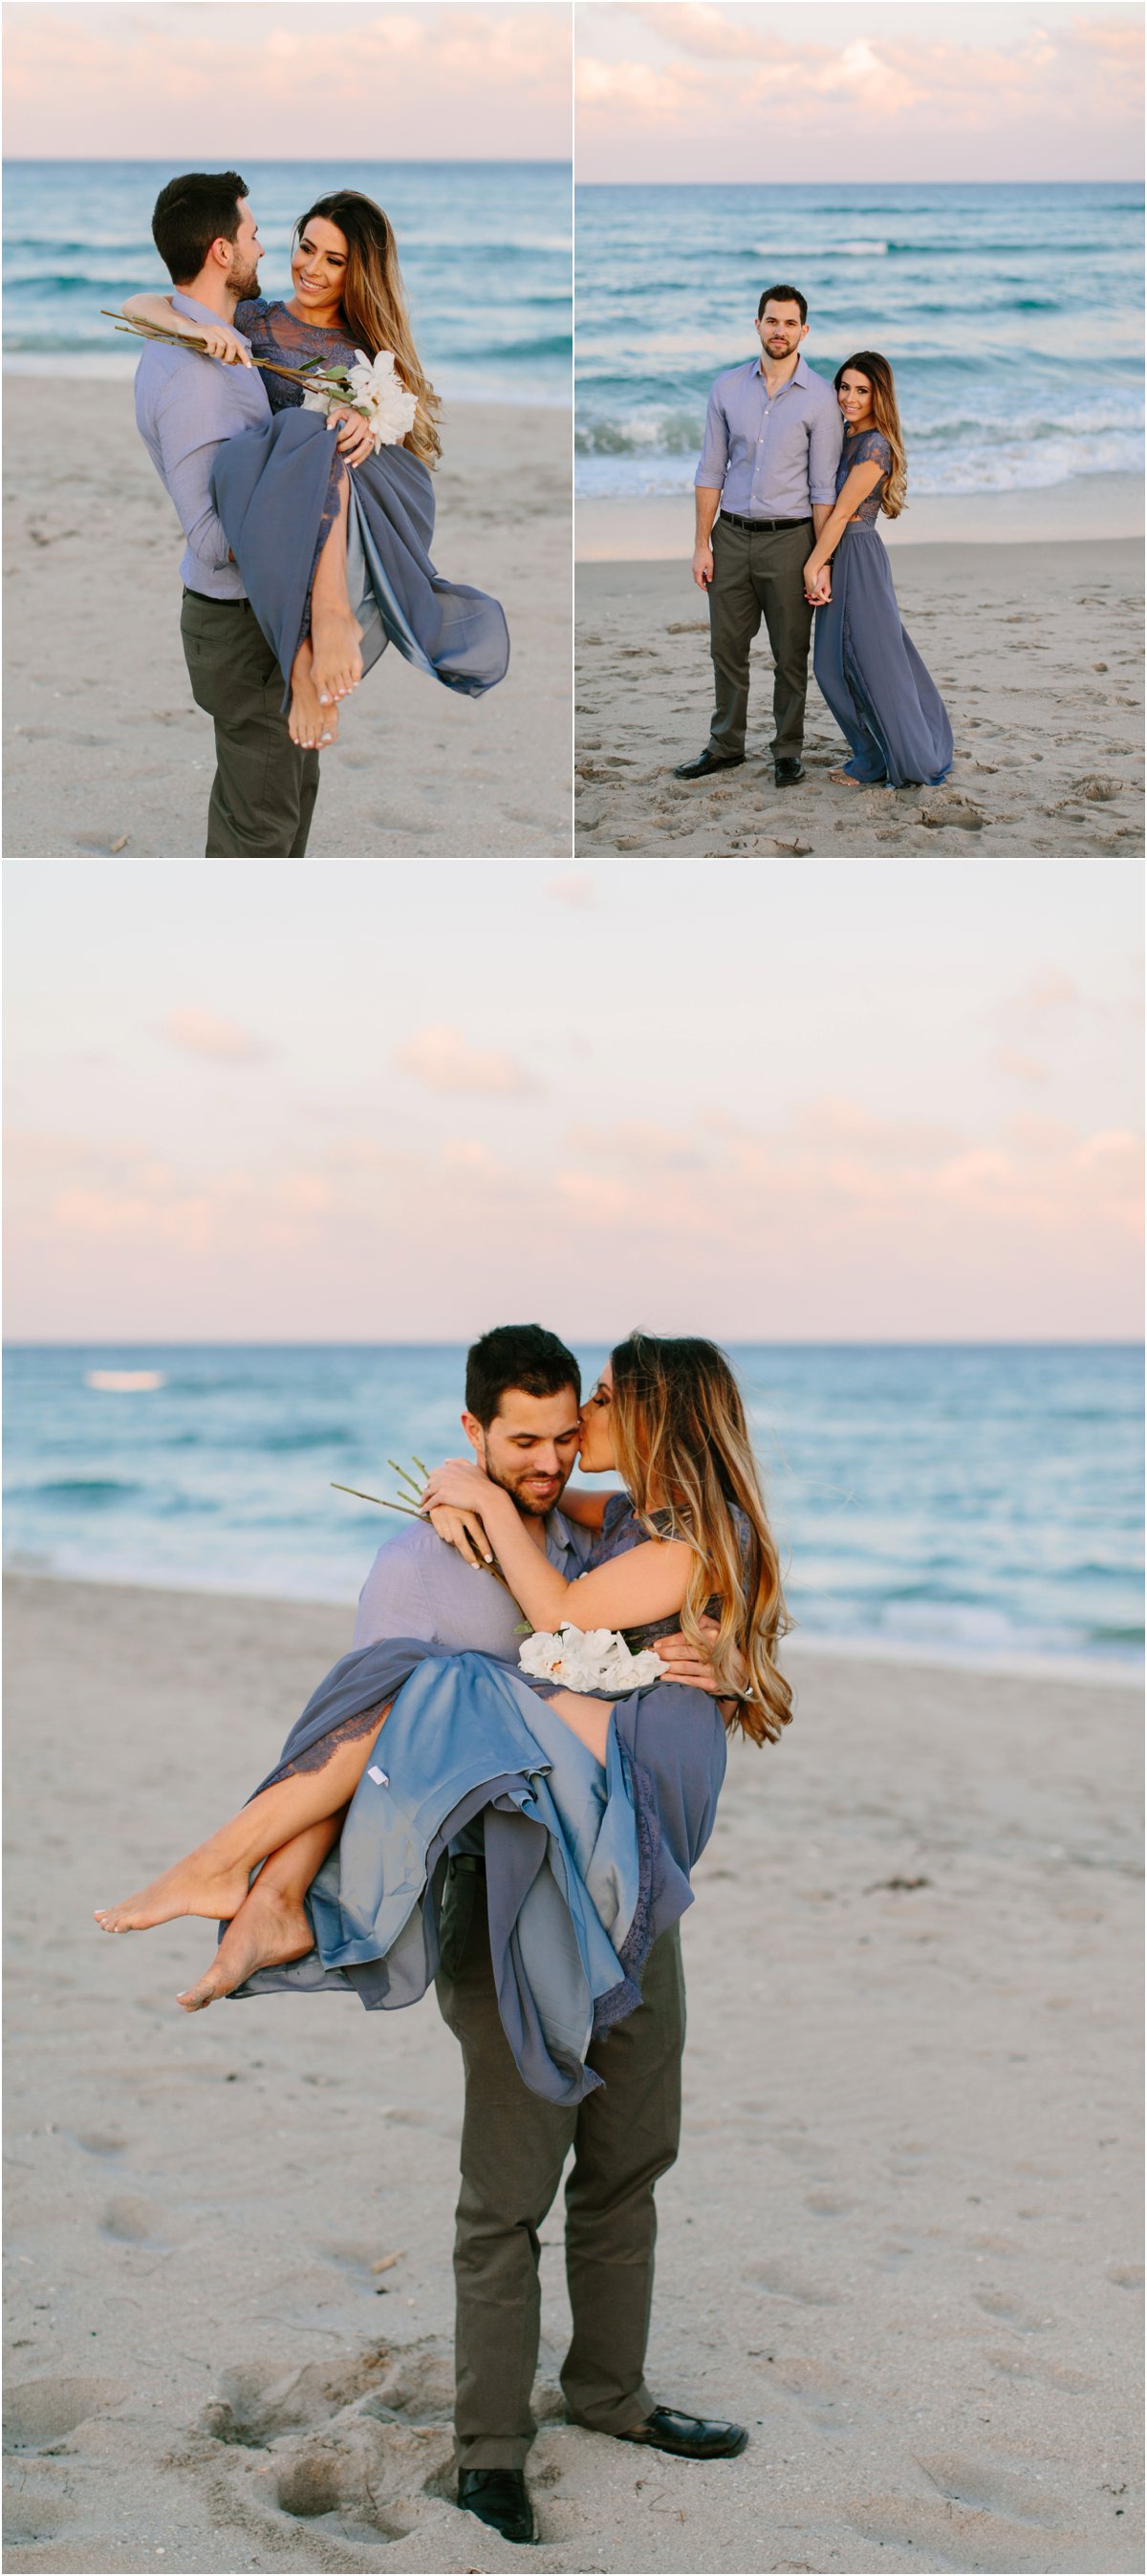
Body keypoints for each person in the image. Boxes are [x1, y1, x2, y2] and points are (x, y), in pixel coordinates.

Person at [95, 1325, 792, 2545]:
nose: (574, 1437)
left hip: (644, 1901)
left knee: (631, 2158)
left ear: (661, 1415)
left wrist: (731, 1657)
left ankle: (610, 2394)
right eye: (546, 1429)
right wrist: (465, 1482)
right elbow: (521, 1566)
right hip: (524, 1885)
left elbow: (623, 1619)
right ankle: (487, 2450)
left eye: (597, 1409)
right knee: (510, 2187)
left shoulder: (659, 1537)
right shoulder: (581, 1516)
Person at [130, 174, 509, 856]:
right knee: (268, 806)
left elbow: (391, 450)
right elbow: (150, 302)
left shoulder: (363, 357)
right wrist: (186, 326)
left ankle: (327, 632)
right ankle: (319, 640)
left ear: (358, 273)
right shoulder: (250, 321)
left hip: (312, 542)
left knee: (290, 791)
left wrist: (368, 424)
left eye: (334, 260)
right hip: (268, 555)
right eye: (305, 247)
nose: (307, 266)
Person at [675, 284, 843, 791]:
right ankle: (725, 746)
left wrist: (820, 560)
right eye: (772, 321)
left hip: (791, 541)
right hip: (730, 535)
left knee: (791, 653)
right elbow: (710, 471)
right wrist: (702, 542)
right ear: (757, 324)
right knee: (726, 648)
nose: (780, 331)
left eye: (790, 323)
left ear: (804, 331)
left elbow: (822, 488)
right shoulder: (726, 389)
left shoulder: (821, 400)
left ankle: (787, 751)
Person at [804, 351, 953, 789]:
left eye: (862, 391)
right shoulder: (846, 435)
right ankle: (872, 753)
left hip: (855, 556)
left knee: (861, 663)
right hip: (840, 552)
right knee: (835, 666)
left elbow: (842, 515)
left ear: (878, 396)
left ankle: (880, 760)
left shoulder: (874, 446)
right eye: (844, 387)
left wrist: (815, 565)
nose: (849, 397)